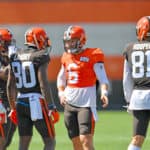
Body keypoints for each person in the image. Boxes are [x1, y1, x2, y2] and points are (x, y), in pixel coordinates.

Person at [57, 25, 109, 150]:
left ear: (81, 41)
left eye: (72, 41)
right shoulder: (65, 57)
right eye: (67, 41)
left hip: (86, 104)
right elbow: (61, 78)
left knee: (85, 140)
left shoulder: (93, 55)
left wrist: (104, 92)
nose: (69, 44)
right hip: (69, 104)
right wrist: (61, 93)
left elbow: (102, 77)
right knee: (76, 143)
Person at [7, 27, 59, 150]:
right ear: (38, 40)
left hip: (20, 102)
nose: (46, 42)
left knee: (23, 143)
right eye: (44, 39)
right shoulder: (40, 55)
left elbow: (10, 85)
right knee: (50, 141)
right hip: (36, 102)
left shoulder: (15, 55)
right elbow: (43, 83)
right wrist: (51, 106)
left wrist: (13, 108)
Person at [123, 16, 150, 150]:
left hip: (139, 97)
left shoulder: (130, 48)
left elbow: (127, 78)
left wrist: (129, 100)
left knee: (137, 138)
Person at [0, 28, 17, 150]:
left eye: (9, 42)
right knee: (2, 140)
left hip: (11, 101)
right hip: (1, 101)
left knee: (7, 140)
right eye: (6, 42)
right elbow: (5, 75)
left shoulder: (7, 56)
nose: (9, 45)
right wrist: (12, 61)